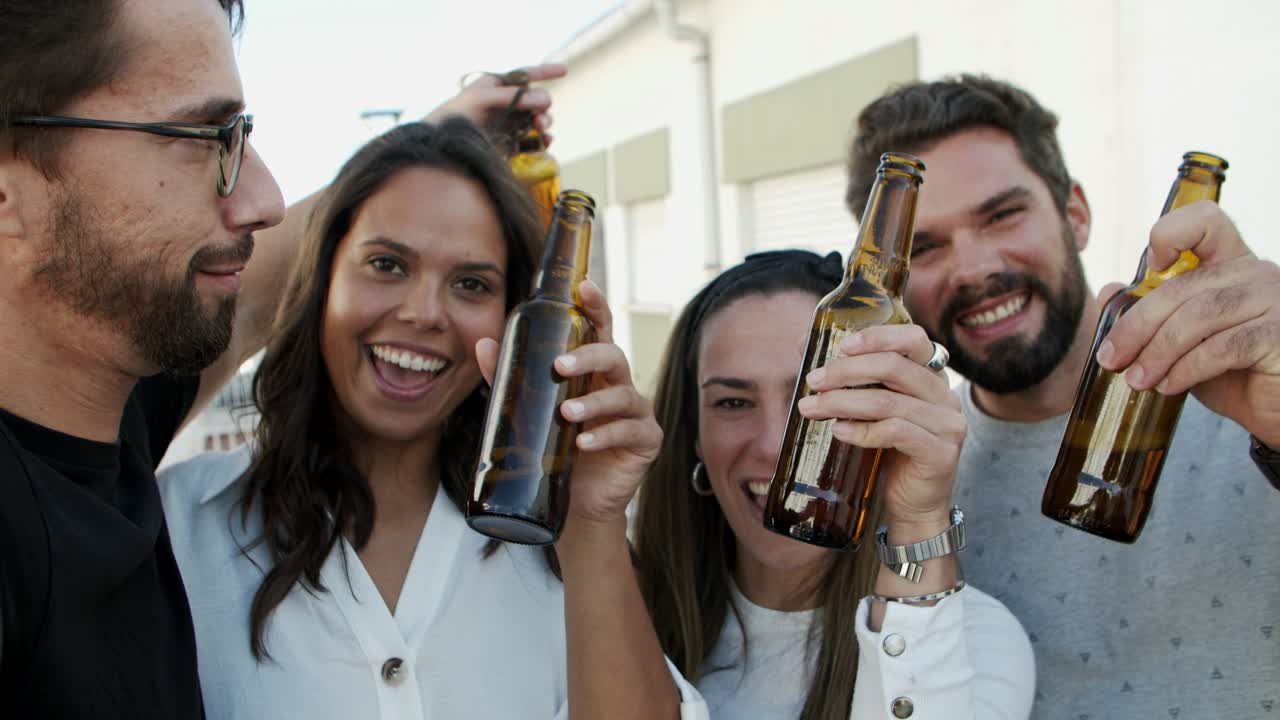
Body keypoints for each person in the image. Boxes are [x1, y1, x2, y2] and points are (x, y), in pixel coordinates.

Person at [0, 0, 561, 715]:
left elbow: (256, 301)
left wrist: (435, 136)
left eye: (240, 135)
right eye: (201, 135)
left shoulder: (111, 424)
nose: (264, 199)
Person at [158, 117, 707, 720]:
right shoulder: (181, 524)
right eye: (387, 265)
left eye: (471, 283)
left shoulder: (567, 548)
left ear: (512, 322)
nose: (423, 313)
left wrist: (592, 525)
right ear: (322, 280)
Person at [844, 75, 1280, 719]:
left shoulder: (1252, 407)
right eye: (925, 245)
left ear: (1074, 213)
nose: (975, 269)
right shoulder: (902, 481)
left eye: (1002, 214)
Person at [633, 250, 1036, 719]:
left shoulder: (975, 639)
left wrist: (920, 519)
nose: (772, 445)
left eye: (818, 396)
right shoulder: (631, 615)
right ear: (694, 437)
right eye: (733, 403)